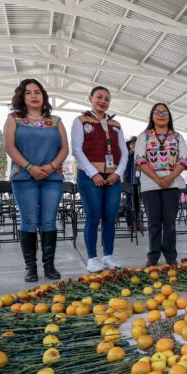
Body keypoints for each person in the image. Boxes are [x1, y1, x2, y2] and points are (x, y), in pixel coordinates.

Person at [3, 79, 69, 283]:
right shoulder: (14, 119)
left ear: (44, 97)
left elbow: (65, 149)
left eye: (38, 92)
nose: (34, 95)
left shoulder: (56, 120)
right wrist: (30, 167)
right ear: (22, 97)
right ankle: (30, 267)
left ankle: (49, 266)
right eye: (29, 92)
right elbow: (9, 146)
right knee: (29, 221)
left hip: (52, 177)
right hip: (23, 177)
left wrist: (50, 167)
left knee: (49, 220)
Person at [71, 86, 128, 272]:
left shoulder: (116, 124)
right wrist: (93, 173)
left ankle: (108, 256)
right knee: (93, 217)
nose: (103, 101)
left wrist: (118, 173)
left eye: (107, 98)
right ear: (90, 98)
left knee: (110, 217)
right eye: (99, 97)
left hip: (113, 176)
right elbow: (77, 150)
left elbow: (124, 152)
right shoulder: (80, 121)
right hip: (90, 177)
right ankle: (92, 258)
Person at [136, 103, 187, 266]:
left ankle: (171, 256)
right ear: (152, 116)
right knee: (154, 222)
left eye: (165, 112)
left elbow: (184, 160)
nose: (161, 115)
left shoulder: (178, 137)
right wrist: (158, 179)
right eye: (157, 112)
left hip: (172, 185)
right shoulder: (143, 136)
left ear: (169, 116)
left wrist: (169, 178)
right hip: (150, 185)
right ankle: (153, 256)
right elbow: (140, 160)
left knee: (170, 222)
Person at [123, 136, 138, 231]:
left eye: (135, 143)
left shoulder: (139, 155)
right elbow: (123, 171)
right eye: (131, 143)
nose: (133, 145)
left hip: (137, 183)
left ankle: (137, 223)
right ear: (129, 145)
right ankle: (129, 224)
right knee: (129, 204)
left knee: (137, 203)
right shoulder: (126, 155)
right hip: (128, 183)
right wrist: (123, 183)